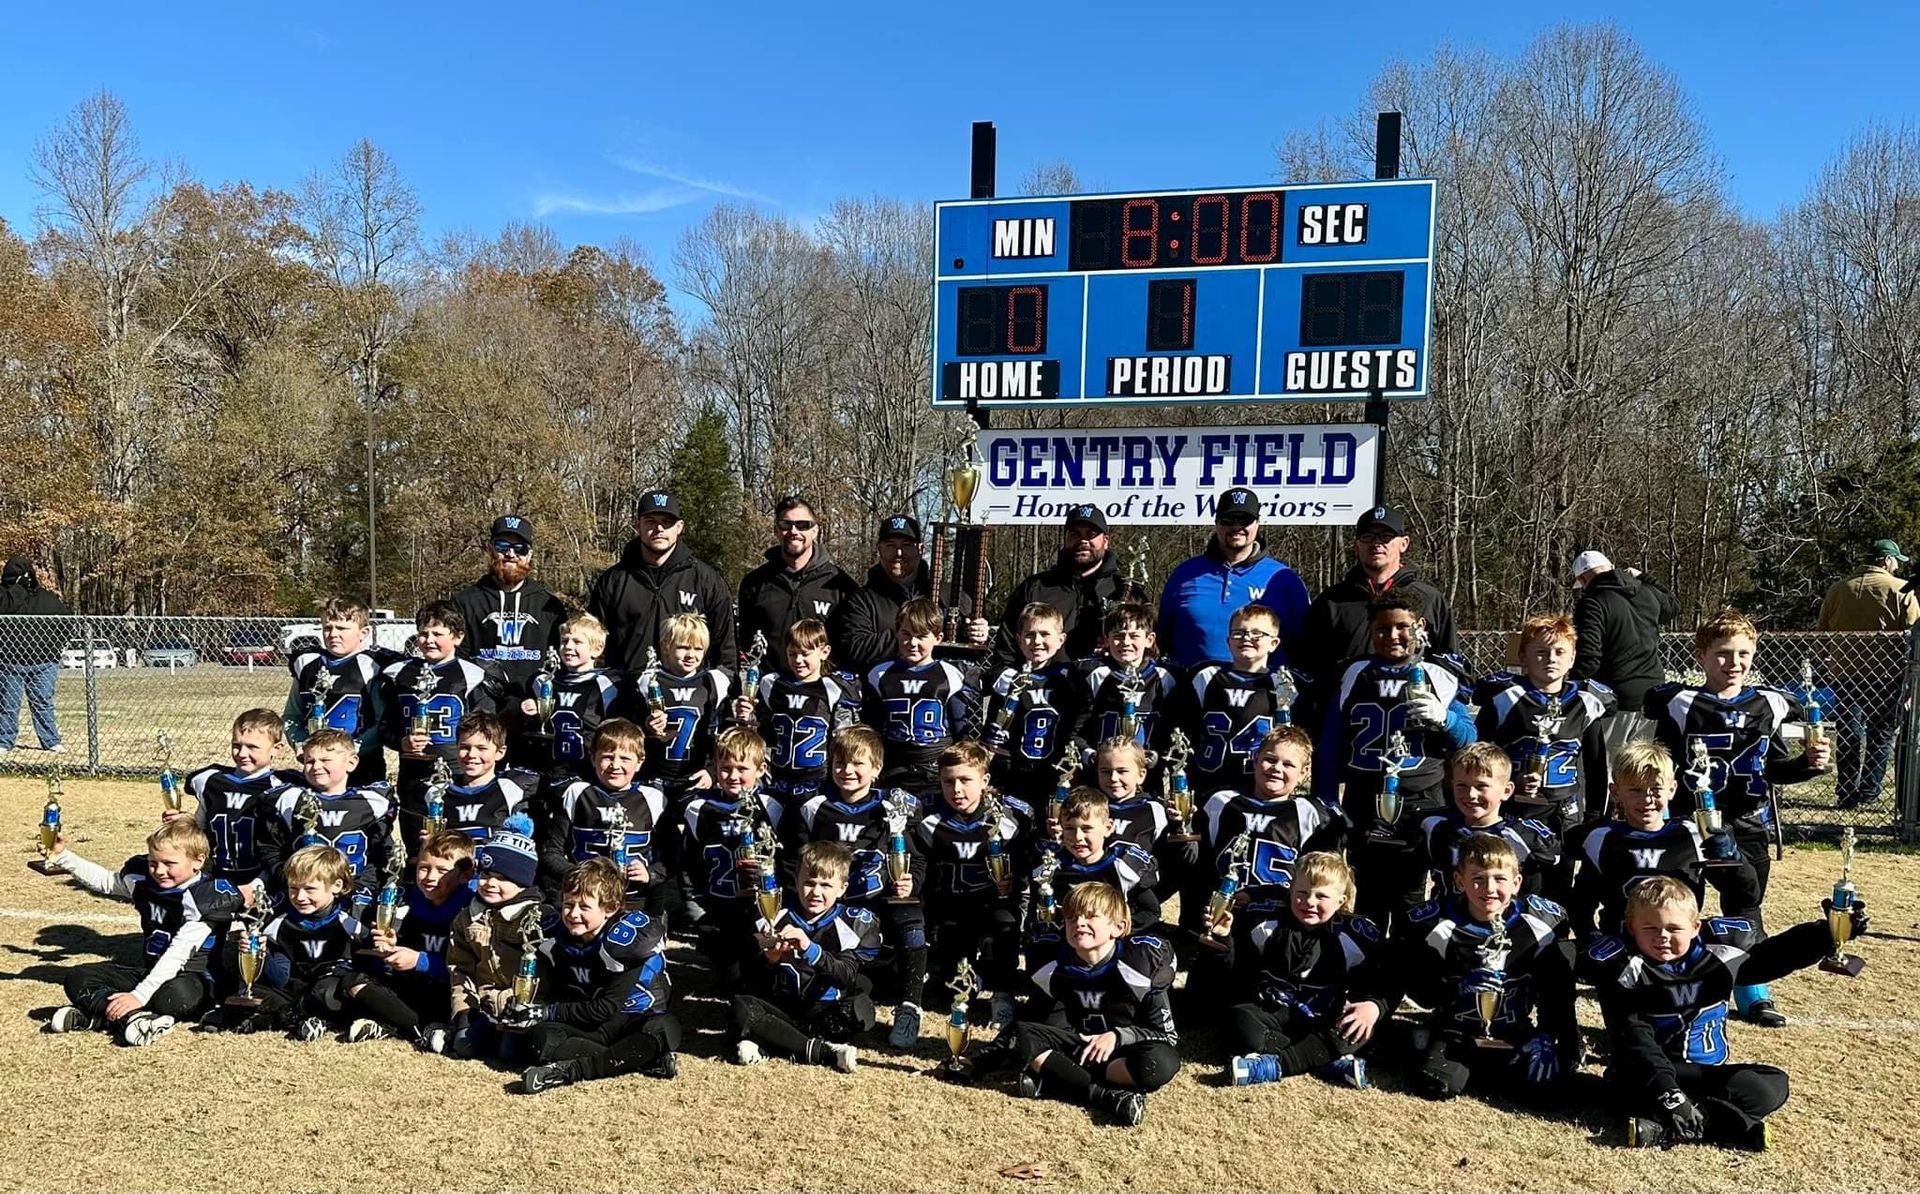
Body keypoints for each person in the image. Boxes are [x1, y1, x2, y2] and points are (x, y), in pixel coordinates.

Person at [1644, 608, 1831, 1027]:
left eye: (1743, 653)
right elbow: (1662, 762)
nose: (1734, 663)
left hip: (1746, 821)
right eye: (1723, 654)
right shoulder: (1680, 703)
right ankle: (1674, 985)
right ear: (1701, 657)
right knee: (1677, 905)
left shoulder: (1769, 703)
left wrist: (1809, 764)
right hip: (1688, 823)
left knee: (1745, 907)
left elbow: (1771, 769)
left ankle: (1753, 988)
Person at [1586, 876, 1866, 1150]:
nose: (1662, 937)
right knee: (1626, 1086)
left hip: (1703, 1073)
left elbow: (1773, 957)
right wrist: (1669, 1094)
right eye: (1650, 928)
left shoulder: (1719, 952)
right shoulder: (1622, 965)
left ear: (1695, 927)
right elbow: (1636, 1037)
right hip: (1649, 1074)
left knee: (1772, 1084)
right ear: (1631, 927)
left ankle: (1674, 1128)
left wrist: (1825, 934)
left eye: (1674, 928)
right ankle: (1716, 1125)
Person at [1315, 592, 1475, 929]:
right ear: (1370, 630)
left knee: (1411, 888)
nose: (1392, 637)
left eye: (1402, 627)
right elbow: (1331, 739)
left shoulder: (1438, 674)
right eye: (1382, 629)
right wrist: (1327, 796)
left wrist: (1444, 719)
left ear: (1420, 626)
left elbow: (1468, 739)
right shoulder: (1354, 672)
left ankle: (1403, 966)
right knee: (1368, 887)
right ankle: (1368, 963)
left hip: (1421, 796)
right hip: (1364, 793)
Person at [1392, 835, 1578, 1101]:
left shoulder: (1540, 924)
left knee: (1547, 1092)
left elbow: (1555, 990)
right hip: (1456, 1030)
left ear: (1516, 883)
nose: (1489, 888)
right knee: (1435, 1084)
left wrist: (1549, 1035)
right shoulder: (1438, 925)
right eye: (1477, 878)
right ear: (1459, 881)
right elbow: (1423, 993)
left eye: (1500, 879)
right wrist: (1458, 986)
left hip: (1514, 1030)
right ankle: (1428, 1044)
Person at [36, 818, 248, 1045]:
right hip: (152, 972)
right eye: (153, 862)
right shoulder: (144, 881)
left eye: (169, 863)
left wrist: (138, 995)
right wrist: (64, 856)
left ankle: (96, 1015)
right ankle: (130, 1018)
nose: (159, 871)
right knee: (78, 977)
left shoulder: (206, 896)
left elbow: (179, 952)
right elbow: (107, 882)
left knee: (175, 997)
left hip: (193, 979)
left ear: (198, 861)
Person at [791, 726, 928, 1048]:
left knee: (913, 925)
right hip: (829, 903)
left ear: (877, 768)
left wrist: (911, 881)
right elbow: (792, 863)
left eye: (858, 764)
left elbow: (916, 859)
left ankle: (909, 1006)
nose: (847, 771)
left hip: (878, 898)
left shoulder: (892, 808)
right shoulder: (814, 807)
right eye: (839, 763)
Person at [1010, 881, 1179, 1127]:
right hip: (1077, 1046)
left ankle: (1058, 1079)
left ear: (1118, 927)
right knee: (1024, 1038)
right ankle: (1106, 1095)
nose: (1079, 923)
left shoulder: (1139, 964)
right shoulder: (1053, 962)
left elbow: (1167, 1036)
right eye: (1071, 917)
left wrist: (1118, 1037)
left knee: (1159, 1065)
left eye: (1091, 916)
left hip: (1123, 1052)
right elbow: (1035, 1025)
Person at [1219, 851, 1386, 1090]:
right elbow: (1237, 968)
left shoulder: (1356, 936)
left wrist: (1373, 1006)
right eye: (1302, 893)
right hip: (1276, 1012)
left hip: (1324, 1018)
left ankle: (1274, 1066)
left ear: (1340, 901)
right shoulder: (1264, 922)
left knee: (1358, 1029)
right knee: (1238, 1017)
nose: (1309, 902)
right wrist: (1224, 936)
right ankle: (1323, 1061)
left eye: (1321, 896)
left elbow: (1384, 981)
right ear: (1290, 892)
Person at [1567, 742, 1760, 945]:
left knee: (1742, 943)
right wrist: (1591, 937)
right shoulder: (1601, 839)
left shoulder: (1693, 835)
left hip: (1677, 947)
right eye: (1636, 790)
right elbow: (1581, 904)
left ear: (1672, 789)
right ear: (1615, 792)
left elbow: (1747, 896)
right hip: (1622, 947)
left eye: (1656, 789)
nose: (1647, 799)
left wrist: (1732, 859)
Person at [515, 857, 681, 1092]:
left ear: (610, 909)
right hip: (593, 1028)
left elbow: (606, 1007)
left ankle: (569, 1071)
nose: (573, 914)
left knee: (663, 1029)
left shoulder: (623, 941)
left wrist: (548, 1011)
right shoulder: (558, 936)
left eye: (584, 907)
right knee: (542, 1039)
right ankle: (637, 1061)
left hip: (633, 1021)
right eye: (568, 904)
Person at [1474, 613, 1616, 873]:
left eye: (1560, 652)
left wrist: (1595, 814)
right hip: (1515, 807)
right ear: (1523, 656)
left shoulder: (1585, 703)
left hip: (1564, 811)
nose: (1551, 659)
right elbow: (1480, 759)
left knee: (1559, 883)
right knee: (1510, 874)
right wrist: (1511, 783)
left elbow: (1595, 765)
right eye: (1541, 652)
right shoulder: (1505, 699)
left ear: (1572, 657)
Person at [727, 841, 878, 1073]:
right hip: (784, 1008)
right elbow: (750, 980)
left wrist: (810, 948)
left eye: (826, 885)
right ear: (796, 881)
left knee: (860, 1009)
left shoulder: (854, 921)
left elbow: (846, 977)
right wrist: (771, 959)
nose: (816, 892)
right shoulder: (773, 913)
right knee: (741, 1004)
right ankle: (823, 1052)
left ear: (842, 888)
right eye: (808, 883)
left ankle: (776, 1042)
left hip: (826, 1011)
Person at [916, 740, 1034, 1031]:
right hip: (951, 910)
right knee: (949, 990)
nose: (956, 790)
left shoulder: (1011, 819)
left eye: (965, 780)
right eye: (948, 781)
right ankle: (967, 975)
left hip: (994, 905)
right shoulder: (929, 819)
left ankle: (1003, 993)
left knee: (1004, 928)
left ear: (985, 780)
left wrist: (1013, 880)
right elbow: (925, 873)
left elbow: (1023, 867)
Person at [381, 602, 509, 849]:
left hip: (456, 772)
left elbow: (486, 728)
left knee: (454, 846)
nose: (429, 640)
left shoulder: (472, 675)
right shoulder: (400, 673)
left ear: (458, 637)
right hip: (413, 774)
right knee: (416, 846)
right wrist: (401, 741)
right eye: (423, 633)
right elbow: (387, 725)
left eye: (438, 634)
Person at [1294, 507, 1457, 685]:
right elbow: (1308, 664)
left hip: (1411, 705)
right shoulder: (1332, 601)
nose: (1376, 543)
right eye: (1367, 536)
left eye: (1386, 537)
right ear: (1356, 545)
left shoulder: (1429, 599)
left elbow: (1449, 664)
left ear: (1404, 543)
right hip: (1347, 706)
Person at [341, 829, 475, 1045]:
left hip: (448, 992)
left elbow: (472, 970)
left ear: (465, 875)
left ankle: (423, 1027)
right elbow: (402, 953)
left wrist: (421, 961)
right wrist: (391, 946)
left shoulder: (471, 911)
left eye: (442, 870)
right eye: (424, 868)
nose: (430, 877)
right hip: (413, 987)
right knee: (352, 983)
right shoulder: (408, 902)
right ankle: (409, 1026)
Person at [225, 844, 369, 1040]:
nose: (300, 897)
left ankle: (293, 1018)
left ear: (337, 886)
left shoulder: (351, 922)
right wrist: (261, 955)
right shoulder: (279, 924)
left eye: (310, 889)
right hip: (295, 990)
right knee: (251, 993)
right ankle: (297, 1017)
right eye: (293, 888)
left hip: (332, 988)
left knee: (326, 993)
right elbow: (279, 978)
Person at [589, 489, 737, 675]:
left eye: (667, 522)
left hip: (689, 696)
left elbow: (725, 649)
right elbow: (591, 644)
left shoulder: (706, 580)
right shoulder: (613, 581)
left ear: (680, 527)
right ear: (638, 525)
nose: (659, 529)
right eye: (651, 521)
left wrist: (723, 690)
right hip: (625, 697)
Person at [1159, 487, 1309, 669]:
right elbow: (1163, 639)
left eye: (1245, 520)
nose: (1236, 527)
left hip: (1263, 692)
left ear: (1257, 523)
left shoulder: (1284, 580)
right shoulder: (1184, 575)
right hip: (1192, 692)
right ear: (1216, 523)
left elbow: (1303, 647)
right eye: (1229, 519)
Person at [1817, 538, 1919, 808]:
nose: (1897, 566)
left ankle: (1846, 792)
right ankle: (1869, 791)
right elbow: (1913, 636)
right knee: (1880, 733)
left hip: (1845, 673)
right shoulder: (1901, 591)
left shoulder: (1838, 590)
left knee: (1848, 732)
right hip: (1886, 674)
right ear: (1886, 560)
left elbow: (1822, 632)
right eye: (1896, 561)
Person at [680, 727, 780, 992]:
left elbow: (786, 859)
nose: (733, 776)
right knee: (730, 982)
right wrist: (696, 906)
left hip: (761, 908)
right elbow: (690, 863)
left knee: (765, 979)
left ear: (761, 768)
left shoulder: (773, 807)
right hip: (720, 906)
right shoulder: (698, 808)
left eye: (741, 768)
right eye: (725, 768)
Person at [441, 816, 547, 1060]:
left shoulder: (538, 918)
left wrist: (517, 1006)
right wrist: (463, 1015)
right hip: (483, 1007)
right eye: (486, 874)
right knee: (464, 1046)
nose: (490, 883)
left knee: (508, 1054)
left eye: (502, 878)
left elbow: (546, 978)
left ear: (522, 881)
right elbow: (460, 970)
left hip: (521, 1008)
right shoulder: (467, 918)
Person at [538, 720, 668, 916]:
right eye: (607, 757)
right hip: (584, 904)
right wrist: (579, 876)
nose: (615, 765)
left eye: (625, 758)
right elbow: (551, 851)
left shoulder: (654, 799)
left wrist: (651, 873)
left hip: (634, 901)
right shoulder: (576, 794)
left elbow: (672, 855)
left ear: (640, 762)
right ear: (592, 758)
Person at [972, 504, 1124, 668]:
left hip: (1106, 690)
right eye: (1075, 534)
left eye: (1091, 534)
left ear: (1105, 541)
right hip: (1041, 689)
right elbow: (1005, 652)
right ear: (1066, 538)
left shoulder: (1123, 592)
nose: (1083, 540)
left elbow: (1148, 650)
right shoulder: (1035, 588)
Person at [256, 729, 398, 902]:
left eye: (325, 760)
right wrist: (289, 879)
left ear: (351, 763)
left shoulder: (372, 802)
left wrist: (363, 889)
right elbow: (272, 849)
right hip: (304, 895)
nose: (316, 766)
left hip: (355, 892)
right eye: (309, 761)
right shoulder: (290, 800)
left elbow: (381, 853)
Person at [740, 617, 860, 817]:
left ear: (824, 652)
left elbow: (844, 741)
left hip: (817, 785)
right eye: (792, 654)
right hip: (777, 782)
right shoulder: (772, 684)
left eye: (805, 654)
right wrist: (747, 717)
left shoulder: (834, 689)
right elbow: (761, 732)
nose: (797, 660)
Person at [170, 708, 296, 890]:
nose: (242, 754)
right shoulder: (210, 780)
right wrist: (186, 822)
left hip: (265, 880)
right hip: (215, 874)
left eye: (252, 747)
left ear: (277, 749)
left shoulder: (283, 788)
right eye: (236, 745)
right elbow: (202, 825)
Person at [449, 515, 571, 698]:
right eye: (502, 546)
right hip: (482, 707)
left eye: (519, 548)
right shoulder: (465, 602)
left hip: (533, 705)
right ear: (490, 549)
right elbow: (458, 659)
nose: (511, 555)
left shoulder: (549, 606)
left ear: (529, 554)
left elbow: (560, 662)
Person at [1416, 743, 1559, 897]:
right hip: (1448, 917)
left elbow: (1536, 891)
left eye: (1481, 786)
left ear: (1506, 791)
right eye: (1462, 785)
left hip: (1503, 917)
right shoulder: (1434, 825)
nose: (1471, 794)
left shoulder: (1523, 838)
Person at [1569, 550, 1676, 755]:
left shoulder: (1592, 602)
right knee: (1643, 773)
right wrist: (1645, 577)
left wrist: (1575, 691)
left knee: (1607, 772)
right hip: (1654, 694)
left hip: (1615, 699)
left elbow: (1589, 657)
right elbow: (1672, 606)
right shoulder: (1647, 591)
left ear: (1583, 579)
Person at [861, 598, 972, 796]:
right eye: (906, 634)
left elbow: (962, 733)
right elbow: (872, 730)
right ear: (896, 632)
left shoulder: (951, 674)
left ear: (938, 637)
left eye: (921, 636)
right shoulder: (879, 675)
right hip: (893, 770)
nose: (912, 642)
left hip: (936, 772)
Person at [737, 495, 858, 672]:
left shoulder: (841, 585)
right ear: (776, 530)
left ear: (815, 531)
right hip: (772, 691)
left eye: (802, 525)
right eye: (786, 525)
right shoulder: (754, 583)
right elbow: (746, 644)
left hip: (823, 692)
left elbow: (850, 646)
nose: (794, 531)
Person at [285, 597, 393, 786]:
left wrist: (352, 749)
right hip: (318, 765)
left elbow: (382, 722)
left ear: (364, 632)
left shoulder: (372, 666)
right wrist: (300, 743)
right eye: (328, 628)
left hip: (362, 762)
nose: (333, 634)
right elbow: (292, 714)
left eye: (342, 628)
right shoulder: (307, 663)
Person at [979, 603, 1079, 803]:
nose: (1037, 641)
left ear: (1061, 640)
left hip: (1053, 769)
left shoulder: (1071, 678)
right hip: (1012, 769)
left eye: (1045, 634)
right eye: (1030, 635)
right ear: (1018, 640)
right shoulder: (1006, 676)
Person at [516, 614, 626, 786]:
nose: (568, 646)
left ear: (597, 649)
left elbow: (616, 730)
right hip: (545, 768)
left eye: (577, 642)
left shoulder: (608, 684)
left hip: (585, 771)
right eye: (564, 641)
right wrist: (527, 708)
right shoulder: (543, 680)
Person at [1069, 604, 1178, 759]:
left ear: (1149, 639)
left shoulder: (1166, 676)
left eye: (1134, 636)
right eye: (1118, 636)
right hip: (1104, 771)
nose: (1126, 642)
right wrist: (1091, 755)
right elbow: (1076, 729)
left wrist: (1159, 756)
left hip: (1150, 772)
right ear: (1106, 639)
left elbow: (1176, 728)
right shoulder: (1092, 674)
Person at [829, 514, 930, 677]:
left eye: (906, 545)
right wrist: (914, 635)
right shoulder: (861, 600)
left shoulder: (942, 596)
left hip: (934, 695)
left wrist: (977, 633)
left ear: (920, 549)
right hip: (880, 696)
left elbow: (963, 650)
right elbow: (855, 647)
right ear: (879, 549)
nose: (898, 552)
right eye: (890, 545)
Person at [0, 556, 69, 758]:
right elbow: (8, 606)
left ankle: (51, 741)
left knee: (43, 702)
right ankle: (4, 741)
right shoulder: (4, 598)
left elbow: (67, 625)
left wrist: (54, 648)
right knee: (7, 704)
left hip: (44, 663)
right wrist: (17, 588)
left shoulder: (47, 599)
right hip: (10, 663)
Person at [437, 713, 530, 842]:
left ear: (500, 752)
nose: (472, 754)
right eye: (465, 747)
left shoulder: (511, 787)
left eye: (482, 748)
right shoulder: (441, 792)